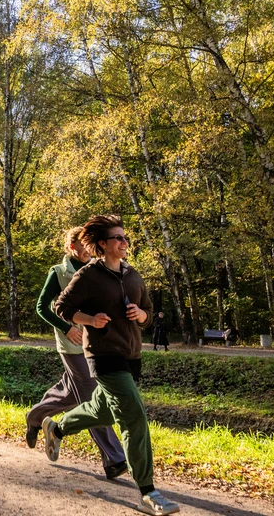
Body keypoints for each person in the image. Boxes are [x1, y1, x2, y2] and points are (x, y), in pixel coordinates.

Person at [44, 214, 180, 515]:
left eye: (125, 237)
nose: (124, 242)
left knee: (100, 409)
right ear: (103, 245)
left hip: (131, 354)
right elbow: (61, 307)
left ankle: (57, 428)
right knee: (133, 417)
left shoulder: (133, 275)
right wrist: (90, 320)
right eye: (117, 238)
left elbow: (147, 309)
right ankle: (147, 492)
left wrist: (141, 316)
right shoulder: (88, 276)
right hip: (103, 355)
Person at [26, 226, 128, 481]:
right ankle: (114, 458)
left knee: (70, 393)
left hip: (96, 344)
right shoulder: (59, 273)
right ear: (73, 247)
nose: (89, 250)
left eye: (91, 246)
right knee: (92, 397)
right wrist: (66, 327)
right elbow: (42, 307)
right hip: (72, 345)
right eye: (84, 246)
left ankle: (35, 416)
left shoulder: (97, 270)